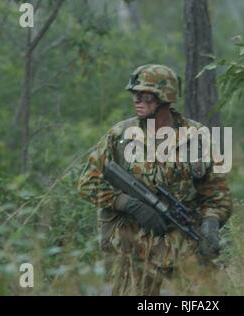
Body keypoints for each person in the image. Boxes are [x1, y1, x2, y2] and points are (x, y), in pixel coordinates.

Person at [78, 64, 232, 295]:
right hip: (132, 250)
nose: (137, 100)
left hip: (182, 247)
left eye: (145, 95)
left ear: (164, 97)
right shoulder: (121, 135)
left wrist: (211, 224)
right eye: (135, 95)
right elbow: (87, 183)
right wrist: (128, 203)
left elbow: (218, 195)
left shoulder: (198, 137)